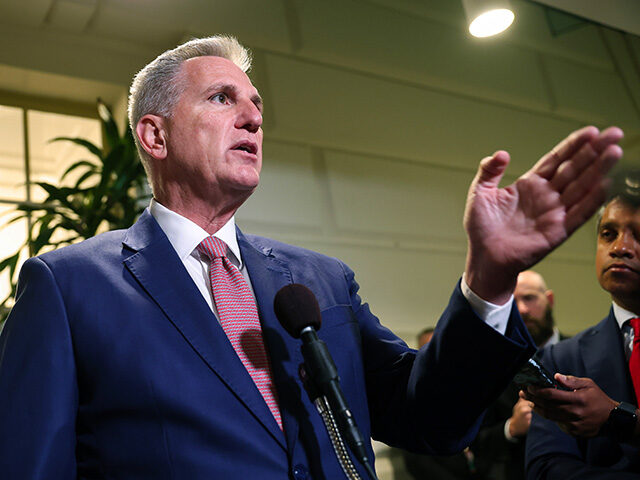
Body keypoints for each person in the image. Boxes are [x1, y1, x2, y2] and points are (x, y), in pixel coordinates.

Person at [0, 35, 623, 479]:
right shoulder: (68, 284)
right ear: (154, 135)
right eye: (222, 99)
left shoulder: (320, 281)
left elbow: (429, 418)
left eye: (258, 107)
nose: (253, 117)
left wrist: (489, 278)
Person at [524, 172, 640, 479]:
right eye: (608, 234)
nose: (620, 247)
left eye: (639, 235)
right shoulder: (562, 358)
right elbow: (546, 466)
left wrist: (618, 418)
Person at [471, 270, 565, 480]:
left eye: (529, 298)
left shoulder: (585, 352)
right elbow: (474, 442)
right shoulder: (488, 367)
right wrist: (511, 428)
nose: (522, 309)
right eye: (512, 302)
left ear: (549, 300)